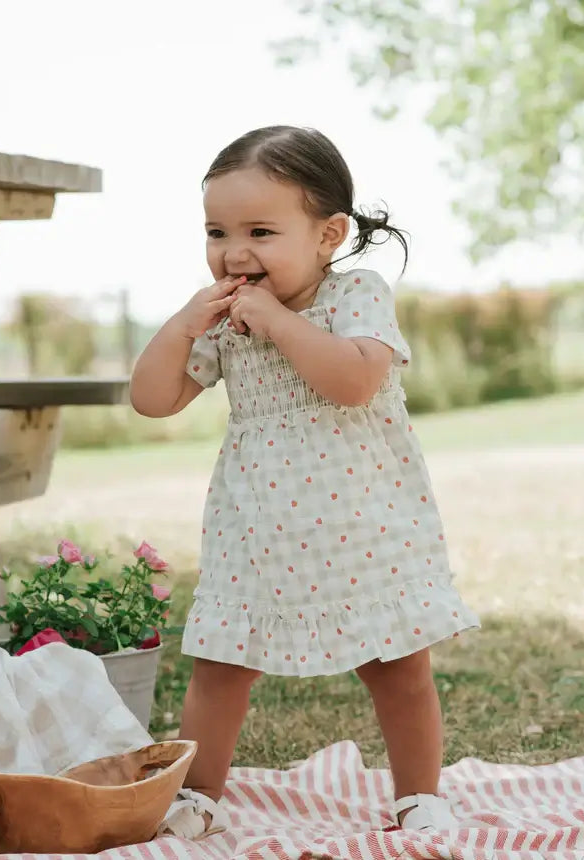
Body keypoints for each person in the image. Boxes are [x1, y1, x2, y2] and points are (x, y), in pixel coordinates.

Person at [130, 125, 480, 838]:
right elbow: (152, 399)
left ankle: (419, 795)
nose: (234, 251)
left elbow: (353, 381)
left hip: (365, 525)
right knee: (220, 666)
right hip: (256, 529)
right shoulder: (226, 321)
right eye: (216, 231)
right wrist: (180, 326)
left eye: (261, 230)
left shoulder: (358, 294)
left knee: (398, 667)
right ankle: (198, 797)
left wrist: (276, 321)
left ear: (329, 234)